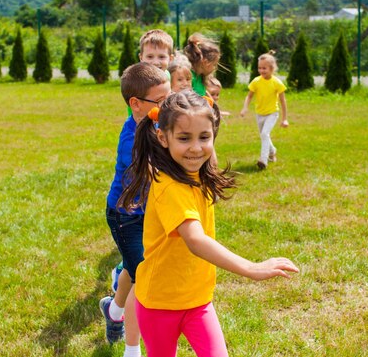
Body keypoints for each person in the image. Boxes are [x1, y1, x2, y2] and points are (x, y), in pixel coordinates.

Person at [118, 90, 298, 357]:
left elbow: (201, 150)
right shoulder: (170, 187)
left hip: (198, 300)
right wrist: (251, 268)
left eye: (204, 137)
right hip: (159, 303)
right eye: (184, 138)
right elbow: (195, 239)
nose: (195, 147)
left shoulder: (194, 170)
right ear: (163, 138)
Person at [101, 63, 171, 357]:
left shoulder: (155, 123)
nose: (168, 107)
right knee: (144, 278)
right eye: (161, 102)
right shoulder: (133, 138)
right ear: (136, 104)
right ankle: (132, 348)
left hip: (147, 214)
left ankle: (114, 309)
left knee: (134, 266)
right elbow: (152, 173)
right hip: (125, 217)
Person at [240, 51, 289, 170]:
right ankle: (273, 152)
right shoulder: (256, 81)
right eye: (259, 68)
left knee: (264, 134)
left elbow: (283, 101)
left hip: (272, 113)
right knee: (264, 136)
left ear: (272, 68)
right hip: (259, 114)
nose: (261, 70)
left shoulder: (277, 83)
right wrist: (245, 107)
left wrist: (285, 119)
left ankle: (263, 159)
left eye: (264, 68)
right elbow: (249, 96)